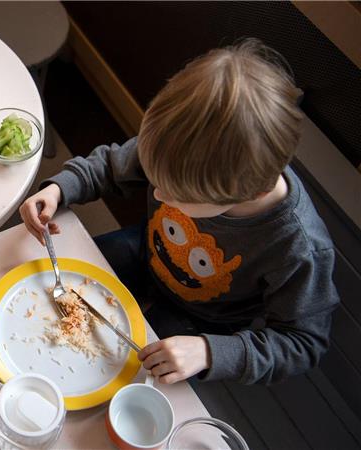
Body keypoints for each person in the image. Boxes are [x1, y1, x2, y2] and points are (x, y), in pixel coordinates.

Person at [20, 39, 339, 386]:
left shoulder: (297, 248)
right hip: (146, 251)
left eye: (175, 194)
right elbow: (112, 166)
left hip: (204, 322)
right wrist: (59, 188)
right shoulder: (182, 148)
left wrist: (208, 352)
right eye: (156, 181)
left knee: (130, 379)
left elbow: (303, 343)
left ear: (250, 193)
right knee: (50, 291)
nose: (156, 193)